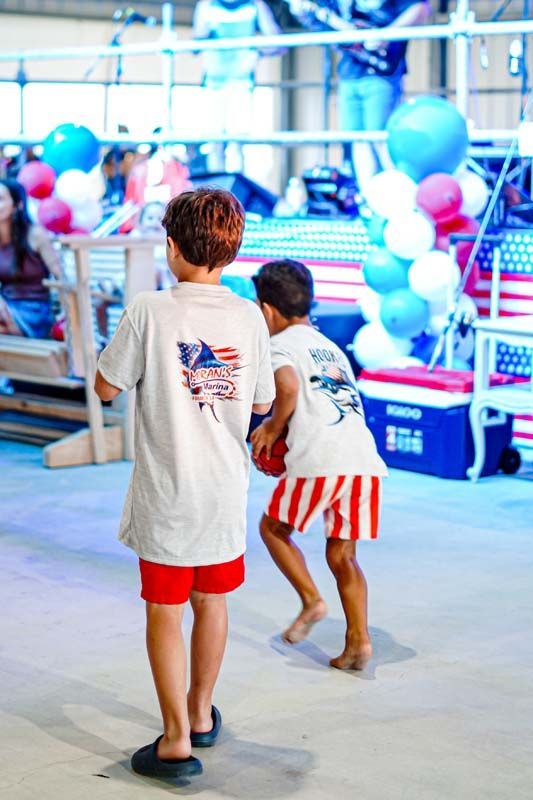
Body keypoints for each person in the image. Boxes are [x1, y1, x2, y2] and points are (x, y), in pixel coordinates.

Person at [94, 188, 275, 780]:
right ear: (230, 250)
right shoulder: (249, 315)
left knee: (165, 611)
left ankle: (175, 741)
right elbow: (262, 401)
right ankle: (200, 713)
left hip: (168, 495)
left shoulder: (150, 309)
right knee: (212, 601)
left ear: (171, 247)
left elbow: (105, 386)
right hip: (224, 493)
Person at [250, 259, 387, 670]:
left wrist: (273, 429)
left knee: (272, 528)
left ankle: (311, 599)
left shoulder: (279, 345)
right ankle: (358, 643)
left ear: (266, 310)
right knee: (343, 555)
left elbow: (289, 386)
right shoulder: (331, 347)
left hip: (321, 459)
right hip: (363, 461)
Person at [289, 0, 431, 191]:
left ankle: (403, 196)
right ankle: (369, 197)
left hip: (381, 73)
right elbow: (320, 21)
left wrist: (387, 34)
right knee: (358, 139)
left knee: (381, 139)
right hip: (349, 73)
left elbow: (421, 7)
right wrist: (302, 12)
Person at [193, 0, 285, 174]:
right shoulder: (207, 5)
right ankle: (213, 196)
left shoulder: (255, 5)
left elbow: (278, 44)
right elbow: (195, 45)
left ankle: (232, 197)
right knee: (215, 144)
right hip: (214, 83)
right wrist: (203, 35)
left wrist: (256, 50)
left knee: (237, 144)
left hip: (241, 83)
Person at [0, 178, 61, 338]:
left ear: (17, 205)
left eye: (1, 199)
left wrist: (67, 314)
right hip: (6, 308)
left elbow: (60, 274)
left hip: (35, 310)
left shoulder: (34, 234)